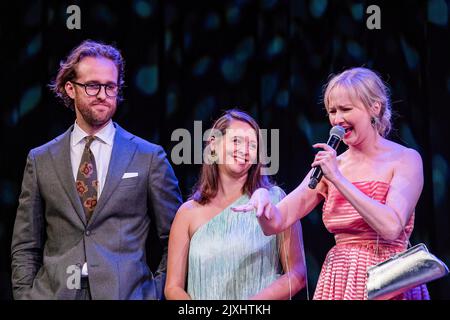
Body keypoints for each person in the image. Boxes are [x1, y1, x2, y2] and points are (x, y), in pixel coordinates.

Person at [234, 67, 430, 300]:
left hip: (389, 279)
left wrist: (338, 178)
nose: (337, 119)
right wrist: (262, 202)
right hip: (341, 278)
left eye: (346, 109)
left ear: (374, 108)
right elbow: (276, 222)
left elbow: (390, 227)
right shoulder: (329, 166)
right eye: (332, 111)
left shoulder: (405, 159)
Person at [11, 40, 182, 300]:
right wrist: (25, 296)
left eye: (110, 86)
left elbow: (176, 237)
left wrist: (153, 293)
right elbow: (26, 243)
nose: (102, 94)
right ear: (70, 88)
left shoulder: (148, 157)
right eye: (92, 86)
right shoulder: (41, 159)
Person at [165, 109, 306, 300]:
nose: (244, 150)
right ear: (214, 144)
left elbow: (297, 274)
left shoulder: (274, 202)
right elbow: (173, 288)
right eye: (236, 140)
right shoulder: (188, 213)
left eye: (252, 145)